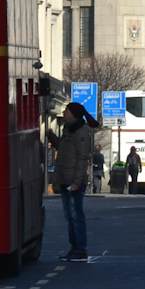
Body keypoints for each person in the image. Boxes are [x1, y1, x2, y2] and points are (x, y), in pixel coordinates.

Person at [51, 102, 97, 260]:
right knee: (69, 215)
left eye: (67, 111)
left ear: (74, 114)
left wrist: (77, 182)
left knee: (75, 215)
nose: (64, 113)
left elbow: (83, 158)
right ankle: (74, 248)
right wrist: (51, 137)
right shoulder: (68, 129)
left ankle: (80, 249)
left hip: (73, 181)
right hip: (65, 179)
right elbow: (64, 150)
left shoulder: (81, 131)